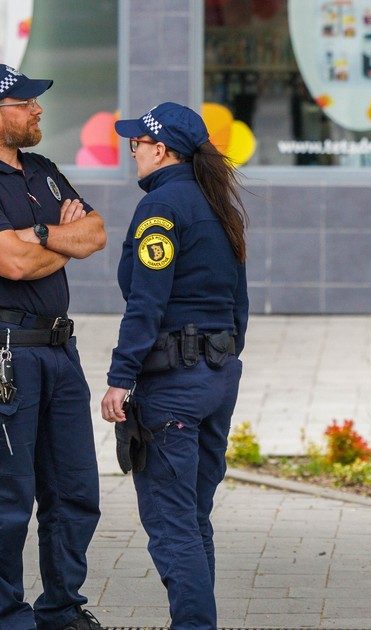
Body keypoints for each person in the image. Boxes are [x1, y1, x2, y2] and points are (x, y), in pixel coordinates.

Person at [0, 64, 107, 630]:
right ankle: (6, 618)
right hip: (3, 357)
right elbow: (9, 263)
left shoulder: (43, 169)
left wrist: (37, 238)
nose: (37, 109)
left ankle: (61, 609)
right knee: (6, 502)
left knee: (75, 492)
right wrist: (58, 240)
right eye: (25, 102)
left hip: (60, 352)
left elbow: (98, 232)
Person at [101, 102, 249, 630]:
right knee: (193, 516)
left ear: (161, 149)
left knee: (171, 525)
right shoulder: (217, 204)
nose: (132, 150)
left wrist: (121, 378)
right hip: (216, 379)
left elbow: (146, 303)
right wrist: (222, 365)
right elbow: (239, 304)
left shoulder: (161, 209)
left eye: (137, 143)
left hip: (173, 387)